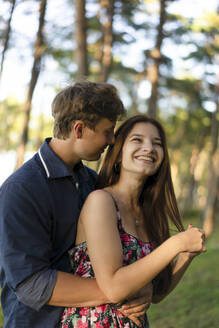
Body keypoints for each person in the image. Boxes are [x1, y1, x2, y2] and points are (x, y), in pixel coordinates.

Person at [0, 81, 149, 328]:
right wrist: (118, 291)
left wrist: (138, 287)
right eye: (107, 131)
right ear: (79, 129)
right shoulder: (21, 190)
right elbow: (31, 284)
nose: (112, 140)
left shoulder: (92, 182)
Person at [60, 115, 206, 328]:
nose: (149, 148)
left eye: (157, 144)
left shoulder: (149, 214)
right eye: (137, 140)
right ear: (118, 154)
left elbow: (157, 293)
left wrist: (185, 255)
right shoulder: (101, 201)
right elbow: (113, 288)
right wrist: (176, 244)